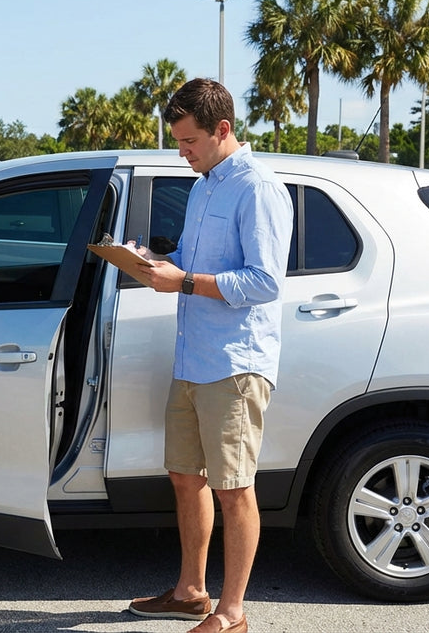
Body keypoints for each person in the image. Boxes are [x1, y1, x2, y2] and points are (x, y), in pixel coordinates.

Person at [126, 78, 293, 633]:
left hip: (234, 363)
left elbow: (265, 280)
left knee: (234, 487)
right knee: (184, 476)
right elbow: (197, 261)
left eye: (190, 140)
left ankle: (232, 614)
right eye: (178, 141)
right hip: (192, 356)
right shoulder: (202, 187)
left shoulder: (258, 187)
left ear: (223, 130)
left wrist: (186, 282)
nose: (182, 152)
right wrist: (151, 260)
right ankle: (190, 592)